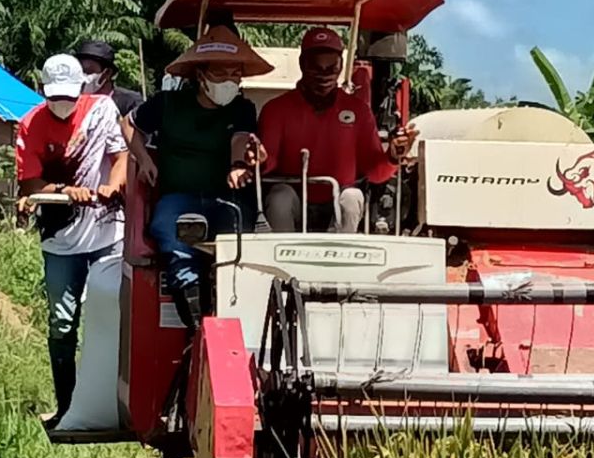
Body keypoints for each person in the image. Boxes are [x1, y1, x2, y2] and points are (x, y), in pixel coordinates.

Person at [127, 25, 273, 327]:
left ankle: (235, 321)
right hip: (178, 199)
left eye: (236, 74)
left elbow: (241, 138)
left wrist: (238, 165)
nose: (230, 82)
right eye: (221, 74)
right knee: (172, 238)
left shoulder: (242, 108)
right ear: (200, 75)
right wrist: (143, 160)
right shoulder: (166, 104)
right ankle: (196, 332)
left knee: (235, 254)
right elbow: (128, 125)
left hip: (227, 199)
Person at [16, 53, 128, 427]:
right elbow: (30, 183)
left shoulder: (102, 110)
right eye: (54, 98)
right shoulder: (30, 125)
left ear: (82, 88)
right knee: (62, 323)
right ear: (43, 93)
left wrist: (113, 185)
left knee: (114, 318)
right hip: (61, 241)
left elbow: (121, 155)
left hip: (108, 233)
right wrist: (65, 189)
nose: (62, 104)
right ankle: (67, 407)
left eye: (69, 96)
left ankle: (117, 403)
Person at [258, 27, 418, 233]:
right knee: (279, 197)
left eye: (331, 67)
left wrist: (393, 156)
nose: (324, 75)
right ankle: (279, 255)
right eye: (316, 67)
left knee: (352, 197)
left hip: (339, 203)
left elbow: (375, 173)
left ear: (341, 66)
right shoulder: (276, 109)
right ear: (302, 64)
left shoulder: (359, 111)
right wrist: (259, 159)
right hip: (294, 202)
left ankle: (341, 257)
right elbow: (267, 162)